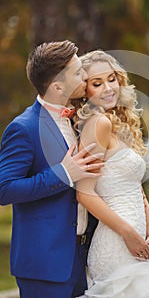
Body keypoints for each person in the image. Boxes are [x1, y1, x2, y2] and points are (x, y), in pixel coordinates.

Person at [74, 50, 149, 297]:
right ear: (85, 90)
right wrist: (128, 234)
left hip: (136, 243)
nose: (107, 88)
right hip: (116, 245)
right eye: (97, 83)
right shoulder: (98, 124)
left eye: (111, 79)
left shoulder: (118, 123)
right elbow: (84, 194)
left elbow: (136, 188)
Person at [0, 40, 106, 298]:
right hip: (43, 265)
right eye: (79, 72)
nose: (86, 76)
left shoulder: (80, 122)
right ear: (58, 86)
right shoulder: (23, 128)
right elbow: (4, 189)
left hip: (78, 260)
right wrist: (64, 173)